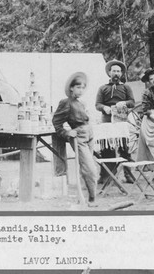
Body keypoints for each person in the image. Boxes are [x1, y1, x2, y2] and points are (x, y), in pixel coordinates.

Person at [52, 72, 99, 207]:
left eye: (83, 88)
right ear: (71, 88)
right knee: (90, 169)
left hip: (89, 135)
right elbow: (56, 122)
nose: (81, 90)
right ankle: (92, 199)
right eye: (78, 87)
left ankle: (83, 197)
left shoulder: (81, 103)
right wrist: (67, 133)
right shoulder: (65, 103)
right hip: (78, 137)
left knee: (86, 167)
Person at [95, 59, 136, 183]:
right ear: (109, 72)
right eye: (114, 71)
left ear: (121, 74)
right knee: (107, 148)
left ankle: (128, 175)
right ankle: (107, 176)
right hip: (107, 121)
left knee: (124, 148)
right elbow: (97, 104)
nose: (116, 74)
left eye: (118, 71)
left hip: (121, 121)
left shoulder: (126, 87)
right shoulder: (103, 88)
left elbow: (132, 102)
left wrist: (124, 102)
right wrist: (104, 108)